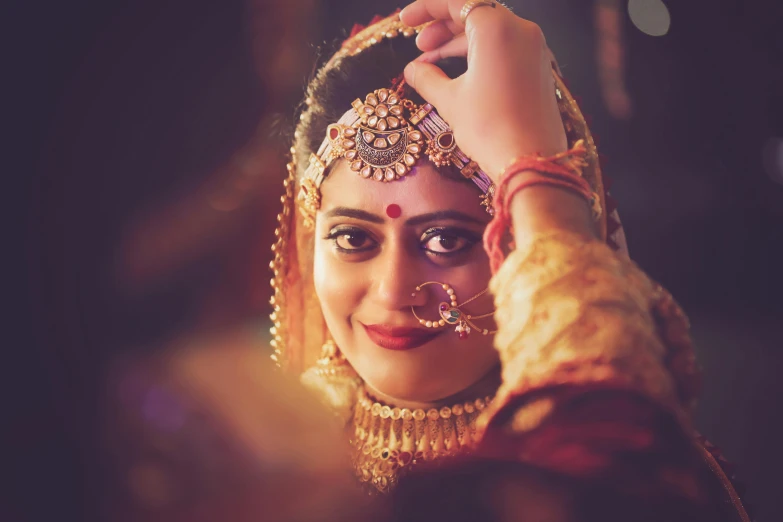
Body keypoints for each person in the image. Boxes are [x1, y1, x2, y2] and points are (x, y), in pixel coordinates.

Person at [269, 1, 751, 520]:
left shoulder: (624, 472)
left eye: (447, 241)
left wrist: (534, 173)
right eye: (351, 239)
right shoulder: (259, 469)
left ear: (531, 242)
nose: (392, 291)